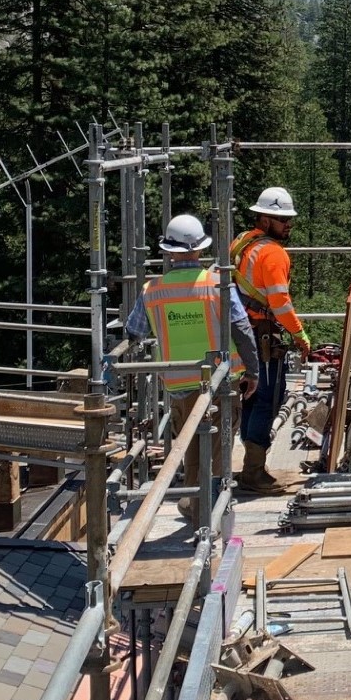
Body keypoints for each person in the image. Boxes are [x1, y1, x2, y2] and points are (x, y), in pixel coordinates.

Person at [125, 214, 258, 526]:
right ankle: (206, 516)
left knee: (190, 448)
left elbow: (134, 331)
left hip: (178, 384)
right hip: (218, 382)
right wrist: (253, 371)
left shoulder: (152, 290)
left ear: (170, 251)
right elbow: (241, 329)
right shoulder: (216, 285)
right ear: (200, 250)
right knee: (215, 451)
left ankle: (192, 502)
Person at [231, 186, 313, 494]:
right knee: (266, 400)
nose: (288, 224)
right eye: (281, 219)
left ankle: (251, 467)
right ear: (264, 220)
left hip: (241, 332)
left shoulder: (241, 242)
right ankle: (254, 471)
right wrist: (300, 334)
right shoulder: (273, 253)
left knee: (250, 396)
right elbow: (280, 302)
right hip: (262, 333)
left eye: (289, 218)